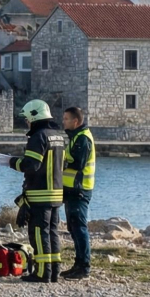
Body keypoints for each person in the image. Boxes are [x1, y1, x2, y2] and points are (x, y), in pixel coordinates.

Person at [4, 100, 67, 283]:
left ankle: (41, 273)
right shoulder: (58, 136)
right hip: (56, 193)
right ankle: (54, 271)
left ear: (34, 116)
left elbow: (31, 165)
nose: (26, 123)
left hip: (40, 194)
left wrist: (11, 162)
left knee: (39, 233)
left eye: (27, 119)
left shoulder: (38, 137)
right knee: (52, 232)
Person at [61, 106, 95, 280]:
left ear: (76, 121)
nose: (63, 121)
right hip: (72, 190)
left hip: (79, 190)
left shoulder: (83, 139)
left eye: (66, 119)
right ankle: (78, 264)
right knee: (73, 228)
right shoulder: (75, 138)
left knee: (79, 228)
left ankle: (84, 267)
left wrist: (60, 161)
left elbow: (78, 163)